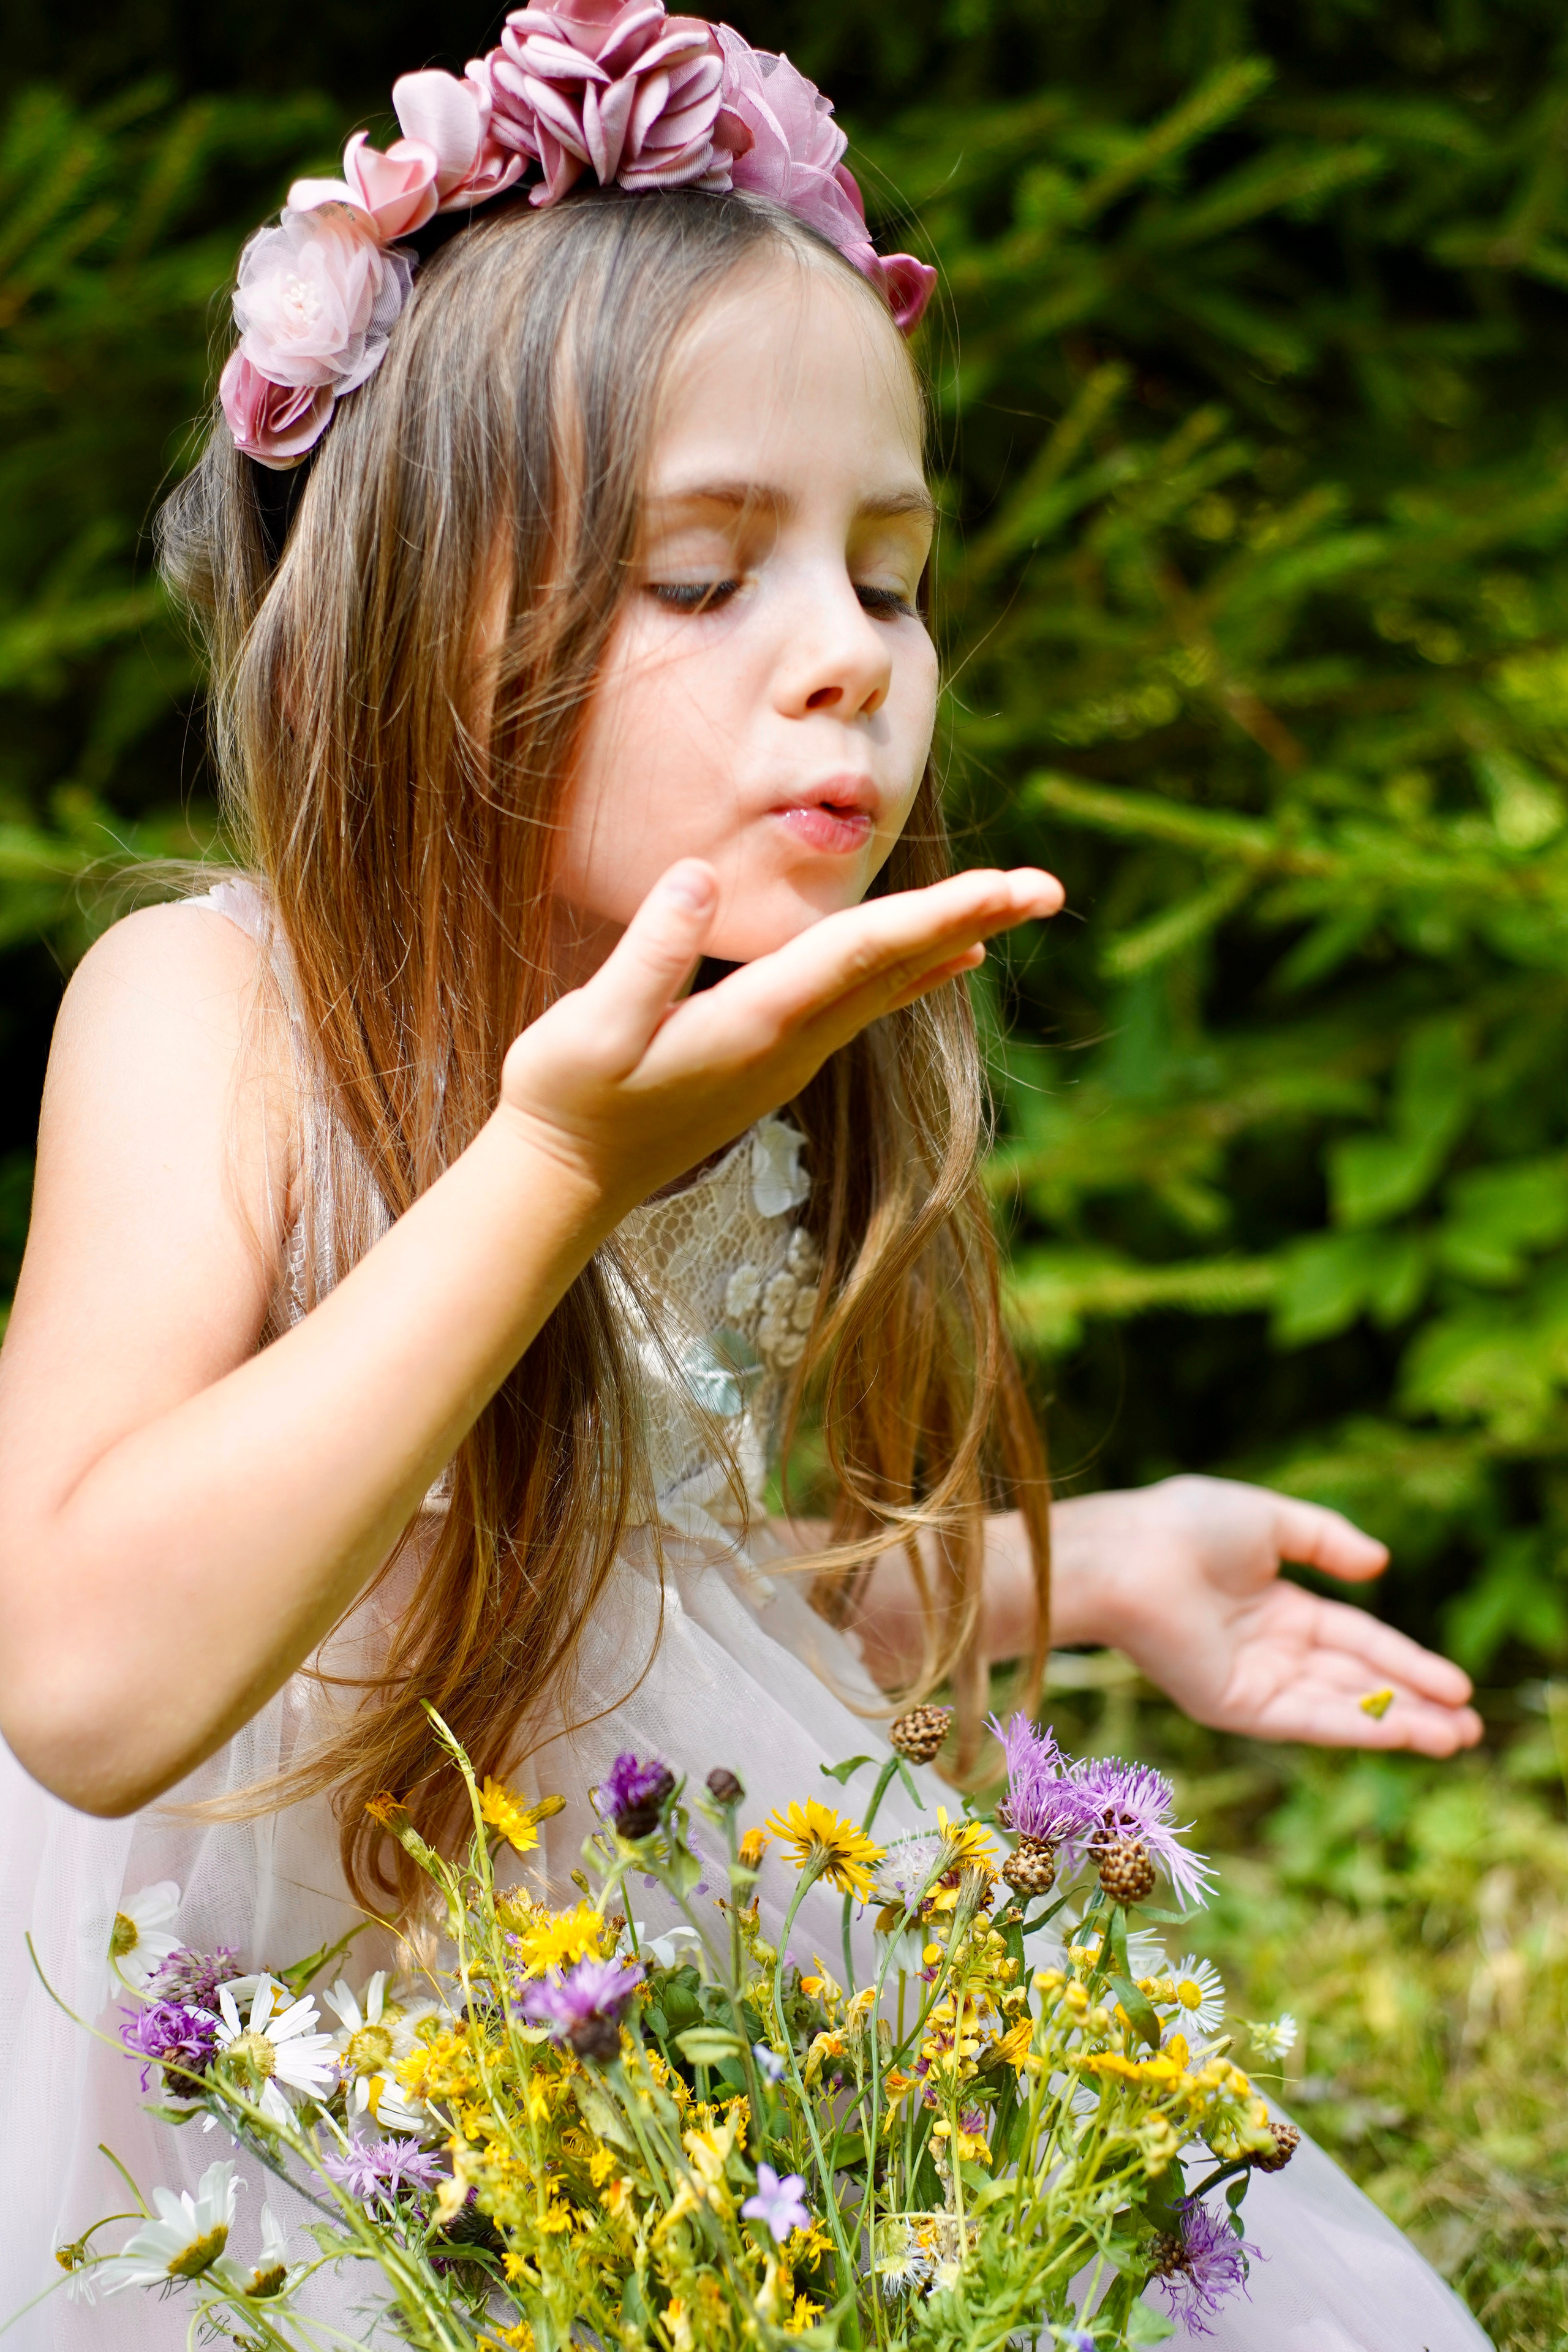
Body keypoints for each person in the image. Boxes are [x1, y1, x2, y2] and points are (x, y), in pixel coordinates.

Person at [0, 11, 1488, 2344]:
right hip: (256, 2119)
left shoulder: (736, 1059)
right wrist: (556, 1166)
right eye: (707, 576)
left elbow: (611, 1633)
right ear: (428, 619)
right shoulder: (218, 1018)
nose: (851, 668)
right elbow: (89, 1685)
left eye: (888, 580)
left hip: (617, 2053)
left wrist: (1087, 1569)